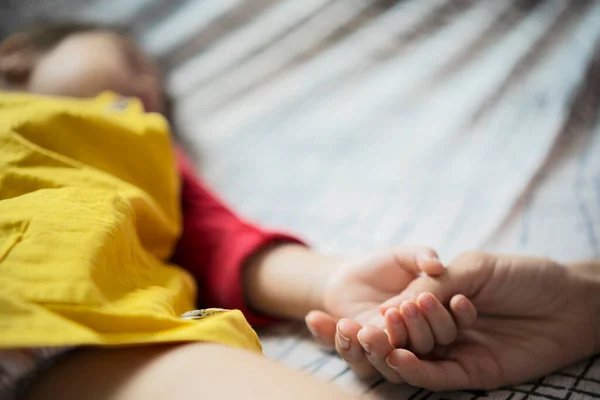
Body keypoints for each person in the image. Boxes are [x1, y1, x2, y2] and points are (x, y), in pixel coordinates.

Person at [0, 22, 472, 399]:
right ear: (14, 56)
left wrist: (330, 280)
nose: (149, 85)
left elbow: (217, 238)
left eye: (158, 92)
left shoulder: (140, 142)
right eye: (130, 61)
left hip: (89, 326)